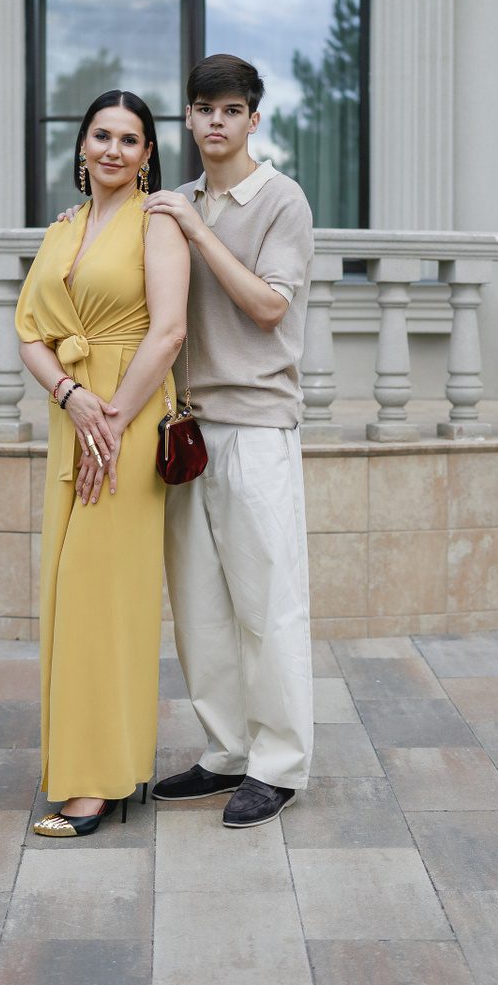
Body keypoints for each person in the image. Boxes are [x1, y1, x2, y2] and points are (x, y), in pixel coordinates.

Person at [146, 54, 316, 829]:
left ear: (253, 119)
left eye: (230, 109)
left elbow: (268, 306)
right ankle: (225, 752)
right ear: (188, 118)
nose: (215, 121)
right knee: (201, 608)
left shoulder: (281, 200)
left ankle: (276, 766)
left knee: (268, 605)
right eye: (203, 108)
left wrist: (195, 229)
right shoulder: (175, 202)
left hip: (256, 427)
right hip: (186, 431)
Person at [15, 89, 189, 838]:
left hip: (130, 415)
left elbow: (170, 330)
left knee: (103, 594)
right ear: (82, 146)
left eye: (129, 138)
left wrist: (112, 419)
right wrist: (70, 396)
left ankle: (96, 782)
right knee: (68, 591)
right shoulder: (63, 228)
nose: (113, 149)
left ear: (148, 154)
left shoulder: (159, 223)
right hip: (77, 415)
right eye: (101, 135)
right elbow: (29, 331)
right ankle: (91, 764)